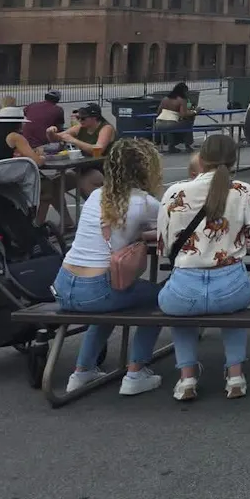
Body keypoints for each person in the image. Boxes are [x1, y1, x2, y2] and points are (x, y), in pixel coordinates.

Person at [157, 135, 250, 401]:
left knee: (181, 313)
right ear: (234, 159)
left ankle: (186, 378)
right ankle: (235, 373)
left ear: (201, 159)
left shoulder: (175, 192)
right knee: (233, 308)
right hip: (230, 285)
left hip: (185, 285)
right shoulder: (245, 191)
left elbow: (164, 247)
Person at [51, 138, 166, 396]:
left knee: (110, 301)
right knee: (161, 299)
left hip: (64, 284)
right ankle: (136, 372)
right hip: (97, 291)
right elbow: (170, 231)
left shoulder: (96, 195)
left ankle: (82, 371)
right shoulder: (146, 203)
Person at [47, 102, 115, 196]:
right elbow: (57, 138)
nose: (80, 121)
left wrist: (74, 140)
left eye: (83, 118)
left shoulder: (106, 128)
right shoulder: (80, 127)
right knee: (52, 187)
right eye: (78, 118)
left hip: (103, 168)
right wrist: (50, 132)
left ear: (94, 117)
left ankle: (98, 208)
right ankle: (65, 211)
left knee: (85, 183)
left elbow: (98, 150)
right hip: (83, 166)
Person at [154, 83, 197, 153]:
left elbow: (158, 112)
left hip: (158, 125)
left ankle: (171, 145)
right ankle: (188, 145)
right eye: (186, 91)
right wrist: (195, 112)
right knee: (188, 123)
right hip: (171, 124)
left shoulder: (165, 99)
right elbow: (183, 114)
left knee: (173, 126)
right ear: (183, 91)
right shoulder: (182, 100)